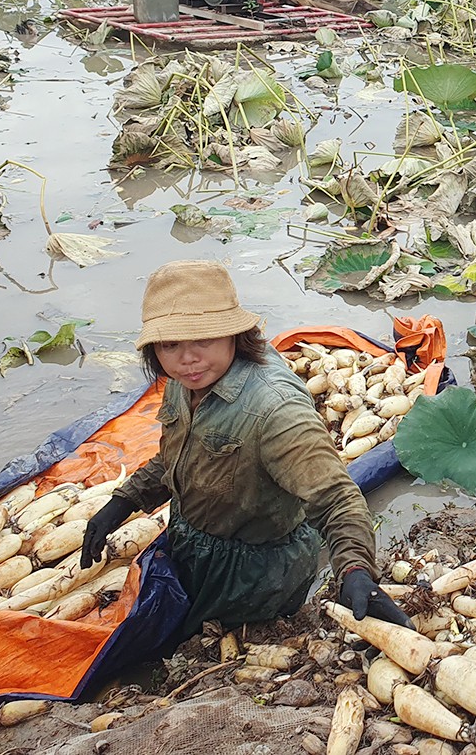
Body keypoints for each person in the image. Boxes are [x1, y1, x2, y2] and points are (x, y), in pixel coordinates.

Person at [80, 259, 409, 637]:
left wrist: (354, 569)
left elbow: (336, 496)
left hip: (255, 575)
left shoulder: (274, 409)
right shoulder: (186, 380)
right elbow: (179, 456)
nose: (187, 358)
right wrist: (121, 502)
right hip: (194, 544)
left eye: (203, 339)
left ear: (234, 334)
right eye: (170, 345)